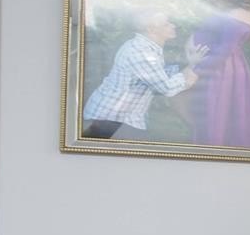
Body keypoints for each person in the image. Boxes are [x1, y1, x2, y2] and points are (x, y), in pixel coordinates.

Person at [81, 9, 207, 141]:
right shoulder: (141, 53)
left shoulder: (147, 48)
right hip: (111, 118)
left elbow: (159, 74)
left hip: (118, 118)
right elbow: (166, 88)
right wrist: (191, 69)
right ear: (151, 29)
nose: (173, 25)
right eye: (166, 24)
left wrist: (188, 64)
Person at [187, 0, 250, 150]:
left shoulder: (237, 14)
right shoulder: (233, 13)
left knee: (217, 110)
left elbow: (225, 49)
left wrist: (197, 68)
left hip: (221, 70)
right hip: (222, 66)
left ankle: (213, 147)